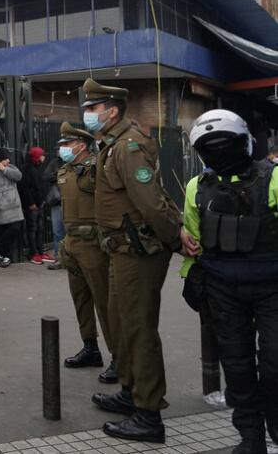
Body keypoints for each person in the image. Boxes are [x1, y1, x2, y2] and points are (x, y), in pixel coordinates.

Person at [82, 78, 183, 444]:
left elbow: (152, 202)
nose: (88, 114)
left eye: (93, 108)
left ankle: (149, 414)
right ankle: (131, 392)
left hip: (137, 252)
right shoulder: (111, 146)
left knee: (138, 330)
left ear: (111, 111)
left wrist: (176, 238)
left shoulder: (128, 147)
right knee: (122, 325)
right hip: (120, 250)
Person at [180, 110, 278, 454]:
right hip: (222, 291)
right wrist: (191, 274)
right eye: (211, 148)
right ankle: (250, 439)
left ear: (244, 143)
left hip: (272, 288)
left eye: (225, 145)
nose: (218, 154)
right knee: (236, 369)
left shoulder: (274, 179)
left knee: (275, 364)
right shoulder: (197, 188)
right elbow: (192, 239)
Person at [55, 122, 118, 384]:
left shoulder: (95, 168)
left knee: (104, 301)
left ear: (81, 145)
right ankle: (90, 347)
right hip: (72, 244)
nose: (62, 149)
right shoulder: (64, 171)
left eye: (66, 144)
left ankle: (118, 356)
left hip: (94, 244)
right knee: (80, 299)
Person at [19, 146, 49, 264]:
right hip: (32, 205)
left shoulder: (39, 167)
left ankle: (40, 251)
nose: (43, 157)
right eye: (41, 154)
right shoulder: (27, 169)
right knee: (32, 228)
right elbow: (25, 188)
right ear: (36, 156)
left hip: (39, 203)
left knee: (40, 228)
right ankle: (33, 253)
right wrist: (31, 203)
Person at [44, 153, 65, 269]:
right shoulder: (54, 163)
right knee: (57, 231)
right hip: (57, 201)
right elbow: (46, 176)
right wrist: (58, 174)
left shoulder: (77, 161)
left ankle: (71, 258)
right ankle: (58, 258)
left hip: (71, 201)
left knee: (71, 231)